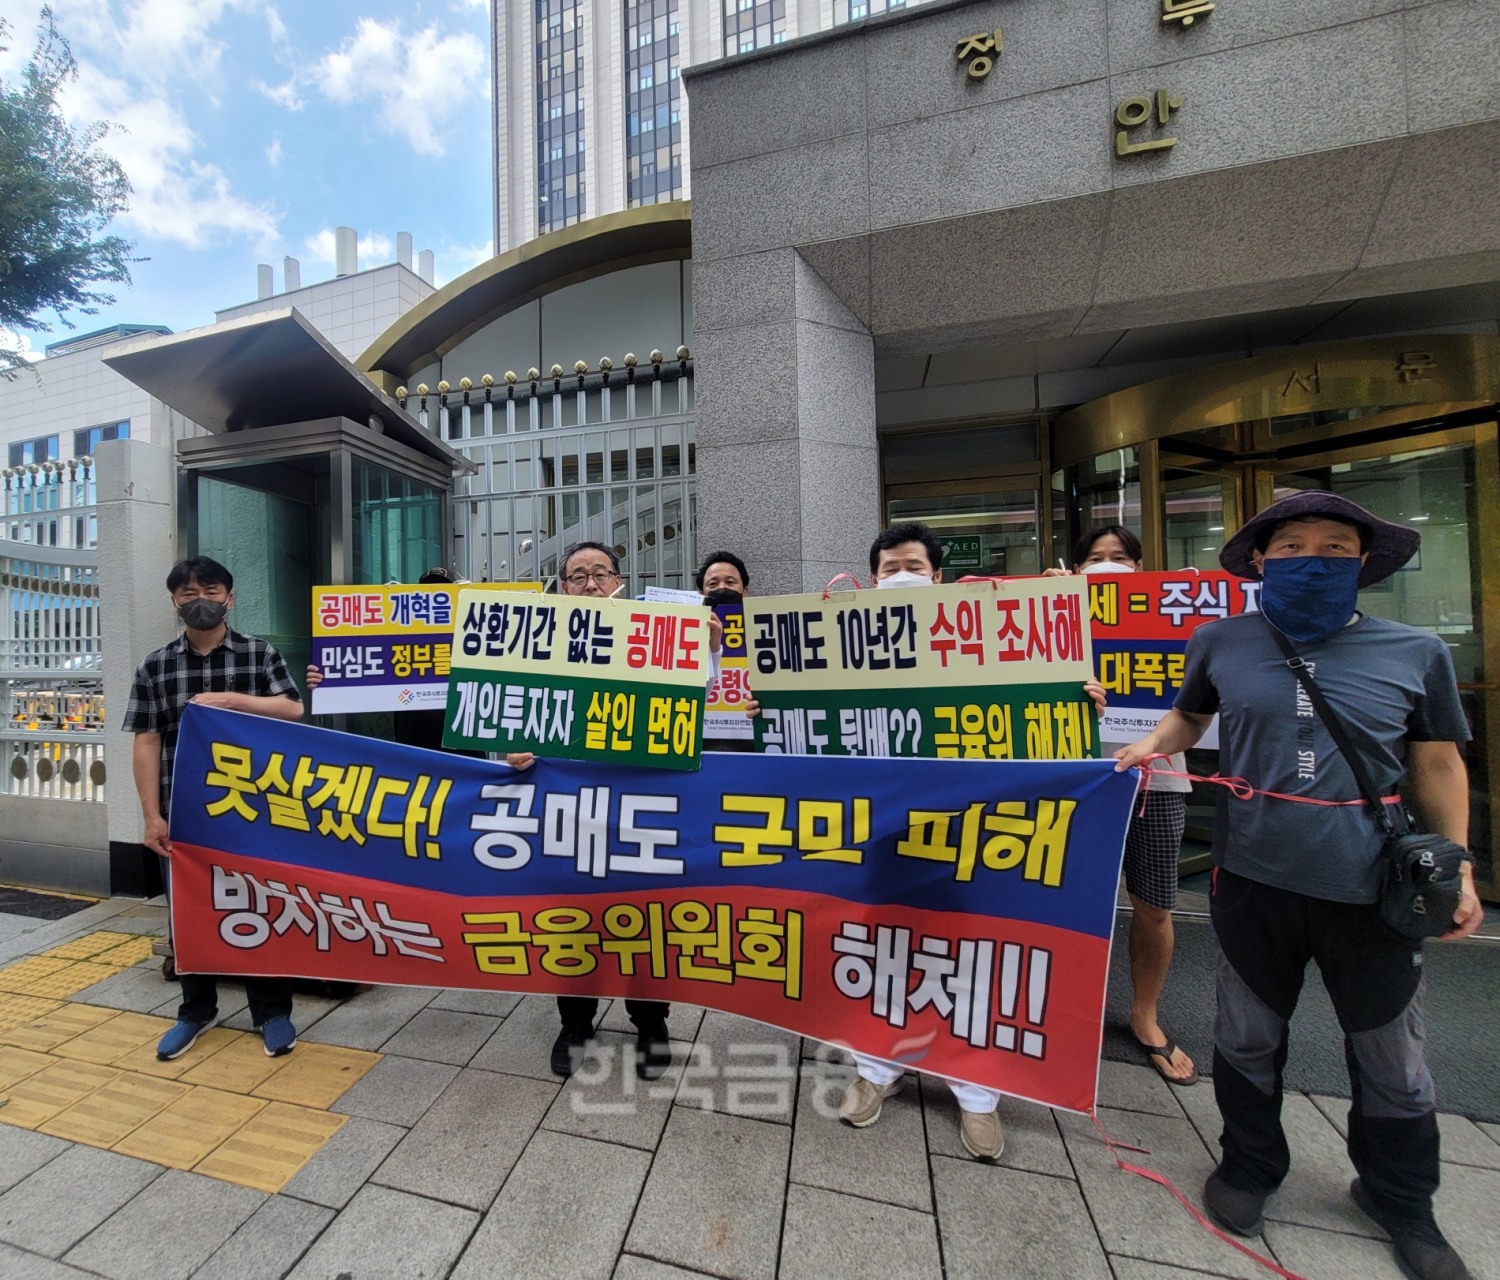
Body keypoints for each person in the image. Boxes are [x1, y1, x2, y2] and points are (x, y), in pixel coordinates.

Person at [1113, 492, 1483, 1280]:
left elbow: (1439, 764)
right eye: (1292, 547)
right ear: (1258, 561)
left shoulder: (1416, 652)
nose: (1311, 558)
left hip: (1373, 887)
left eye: (1334, 546)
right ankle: (1250, 1165)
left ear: (1362, 564)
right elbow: (1189, 717)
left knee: (1392, 1053)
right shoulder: (1220, 641)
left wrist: (1458, 866)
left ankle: (1400, 1198)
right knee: (1247, 1034)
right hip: (1251, 880)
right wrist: (1148, 743)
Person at [837, 521, 1008, 1160]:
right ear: (872, 578)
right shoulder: (844, 647)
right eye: (888, 567)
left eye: (913, 565)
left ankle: (977, 1092)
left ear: (937, 577)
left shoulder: (987, 640)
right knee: (882, 943)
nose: (900, 576)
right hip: (879, 830)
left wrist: (1078, 708)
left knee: (970, 951)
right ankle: (878, 1068)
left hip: (969, 829)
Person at [124, 556, 306, 1060]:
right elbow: (145, 740)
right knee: (188, 914)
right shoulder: (156, 665)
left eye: (209, 589)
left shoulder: (257, 654)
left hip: (251, 812)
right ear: (174, 602)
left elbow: (292, 708)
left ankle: (272, 1012)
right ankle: (195, 1010)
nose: (199, 600)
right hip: (181, 815)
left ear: (229, 596)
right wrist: (150, 814)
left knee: (258, 907)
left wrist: (232, 701)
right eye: (187, 593)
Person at [509, 540, 674, 1082]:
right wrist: (513, 751)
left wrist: (709, 648)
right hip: (569, 806)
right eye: (577, 576)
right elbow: (511, 712)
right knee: (572, 919)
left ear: (620, 581)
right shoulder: (534, 646)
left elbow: (694, 698)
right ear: (561, 588)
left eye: (600, 573)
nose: (590, 585)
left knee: (645, 919)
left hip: (641, 804)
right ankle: (575, 1022)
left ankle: (650, 1022)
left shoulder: (655, 638)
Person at [1046, 526, 1197, 1086]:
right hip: (1077, 779)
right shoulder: (1052, 614)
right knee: (1062, 901)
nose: (1106, 567)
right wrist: (1047, 609)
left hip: (1157, 780)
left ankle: (1145, 1015)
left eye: (1119, 558)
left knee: (1154, 905)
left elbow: (1198, 709)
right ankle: (1060, 1010)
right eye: (1093, 559)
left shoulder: (1169, 621)